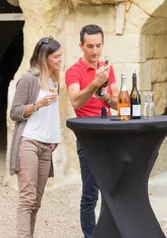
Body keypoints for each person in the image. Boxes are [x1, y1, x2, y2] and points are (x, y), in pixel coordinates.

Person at [65, 24, 118, 238]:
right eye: (89, 46)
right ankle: (90, 235)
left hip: (109, 133)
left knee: (111, 190)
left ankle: (108, 232)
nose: (94, 51)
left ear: (103, 44)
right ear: (81, 46)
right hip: (87, 137)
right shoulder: (73, 71)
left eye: (98, 46)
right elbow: (76, 101)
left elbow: (118, 105)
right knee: (90, 194)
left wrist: (105, 96)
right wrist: (95, 83)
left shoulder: (108, 69)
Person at [10, 36, 62, 238]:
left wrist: (54, 139)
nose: (59, 60)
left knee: (36, 201)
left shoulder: (53, 80)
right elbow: (15, 111)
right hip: (28, 142)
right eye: (56, 56)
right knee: (27, 199)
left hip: (45, 147)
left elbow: (52, 116)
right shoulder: (28, 80)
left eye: (60, 56)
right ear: (45, 57)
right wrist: (38, 105)